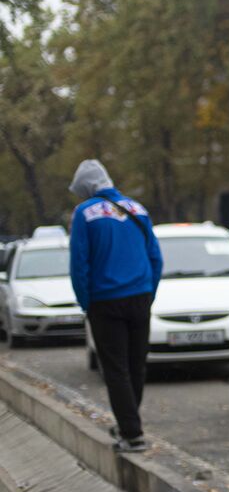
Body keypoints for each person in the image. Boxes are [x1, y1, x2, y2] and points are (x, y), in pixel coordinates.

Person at [68, 160, 163, 453]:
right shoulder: (138, 210)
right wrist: (149, 293)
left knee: (116, 368)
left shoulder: (84, 214)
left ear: (85, 187)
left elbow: (79, 264)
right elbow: (156, 258)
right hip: (140, 297)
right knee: (136, 365)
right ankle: (128, 422)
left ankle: (132, 433)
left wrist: (86, 302)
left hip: (105, 301)